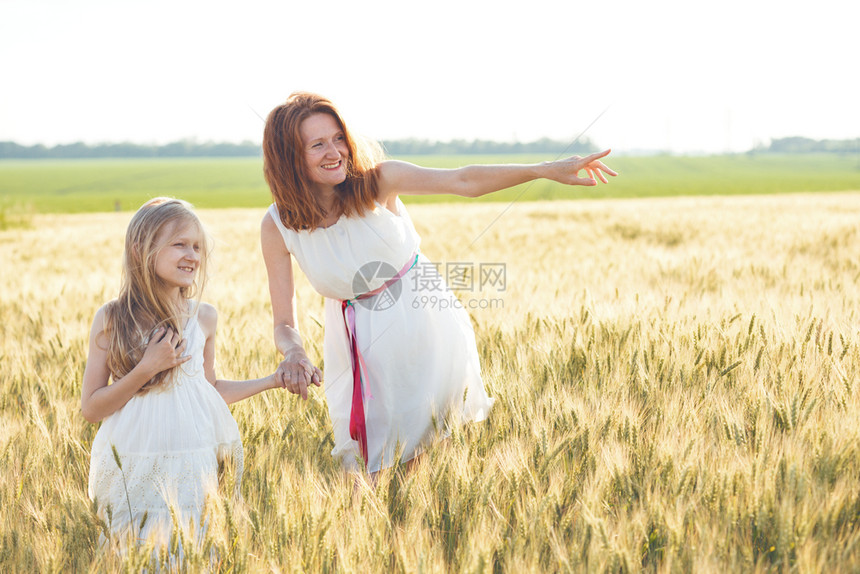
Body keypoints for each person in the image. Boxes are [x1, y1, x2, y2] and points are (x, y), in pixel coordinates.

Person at [261, 92, 617, 475]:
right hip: (355, 344)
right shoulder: (278, 225)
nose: (336, 152)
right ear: (289, 158)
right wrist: (293, 353)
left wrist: (542, 169)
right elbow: (284, 323)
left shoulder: (378, 180)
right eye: (317, 145)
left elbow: (464, 180)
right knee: (370, 474)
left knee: (428, 460)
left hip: (423, 322)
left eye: (338, 138)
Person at [81, 197, 281, 550]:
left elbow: (207, 390)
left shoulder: (203, 317)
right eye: (180, 245)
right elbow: (92, 409)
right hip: (132, 460)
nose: (193, 256)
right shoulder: (112, 319)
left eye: (198, 247)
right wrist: (147, 367)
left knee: (189, 549)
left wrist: (272, 380)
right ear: (141, 247)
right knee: (133, 551)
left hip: (191, 459)